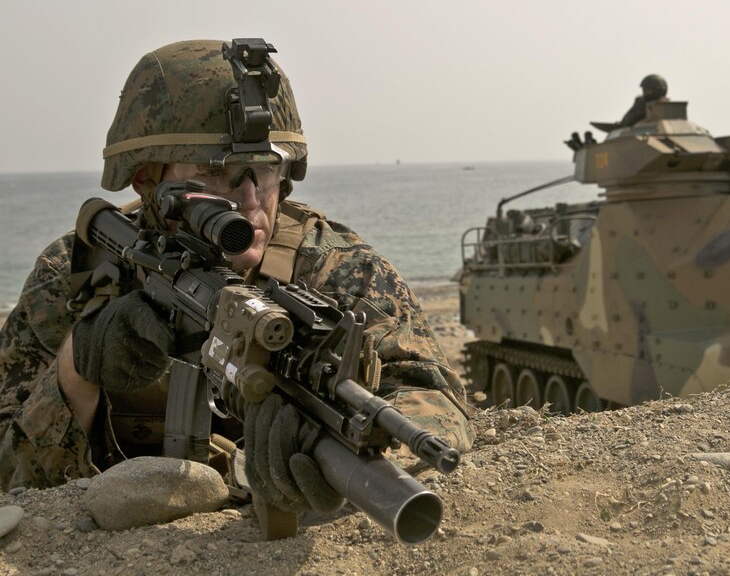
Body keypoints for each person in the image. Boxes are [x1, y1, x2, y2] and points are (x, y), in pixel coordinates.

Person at [0, 39, 474, 515]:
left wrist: (341, 446)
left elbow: (435, 404)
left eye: (265, 173)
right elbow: (7, 465)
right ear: (147, 181)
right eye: (215, 173)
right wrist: (76, 370)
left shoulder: (335, 266)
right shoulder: (75, 273)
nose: (249, 202)